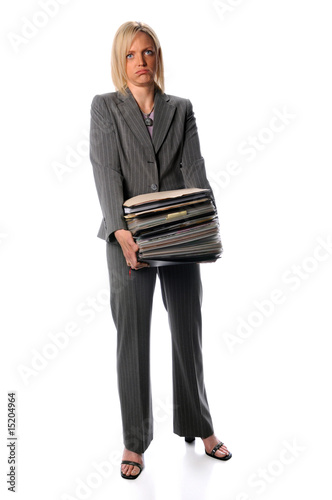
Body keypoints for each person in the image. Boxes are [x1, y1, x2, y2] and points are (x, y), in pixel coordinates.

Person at [89, 21, 231, 480]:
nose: (141, 62)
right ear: (120, 61)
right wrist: (120, 231)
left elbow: (195, 167)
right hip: (127, 237)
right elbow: (106, 170)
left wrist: (207, 224)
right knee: (132, 340)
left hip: (180, 238)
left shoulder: (181, 108)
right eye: (131, 55)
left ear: (158, 57)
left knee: (187, 331)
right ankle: (135, 442)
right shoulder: (105, 108)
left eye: (148, 53)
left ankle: (198, 424)